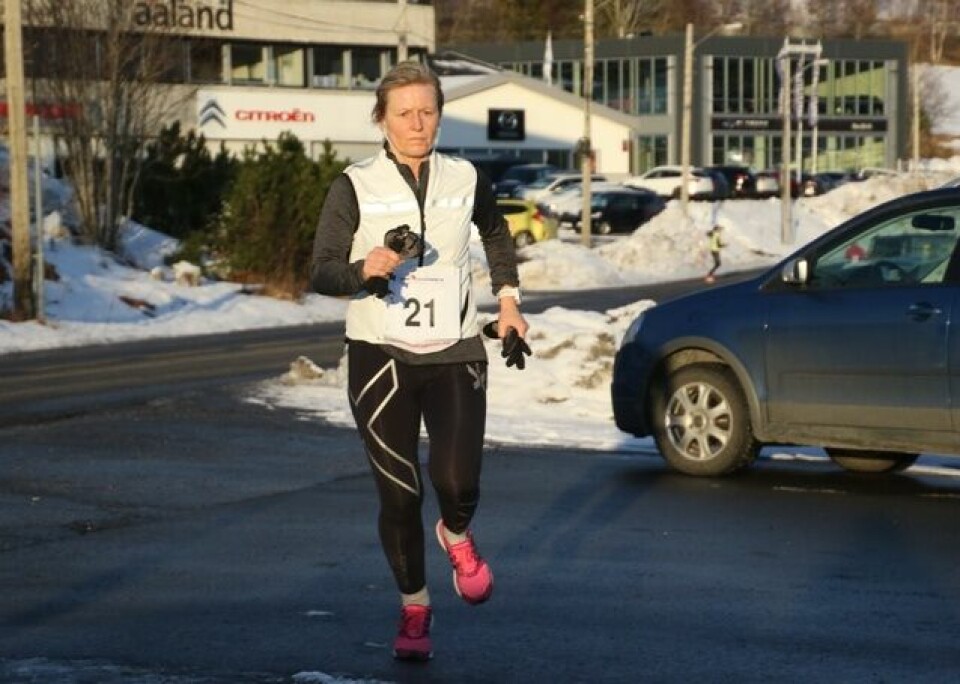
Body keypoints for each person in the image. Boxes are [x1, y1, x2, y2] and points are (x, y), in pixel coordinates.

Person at [309, 60, 528, 662]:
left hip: (456, 347)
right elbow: (321, 268)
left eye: (427, 111)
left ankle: (456, 534)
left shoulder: (464, 175)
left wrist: (508, 301)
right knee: (399, 495)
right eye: (404, 113)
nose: (417, 123)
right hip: (380, 355)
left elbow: (496, 232)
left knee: (458, 483)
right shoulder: (353, 184)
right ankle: (414, 606)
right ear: (382, 119)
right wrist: (364, 269)